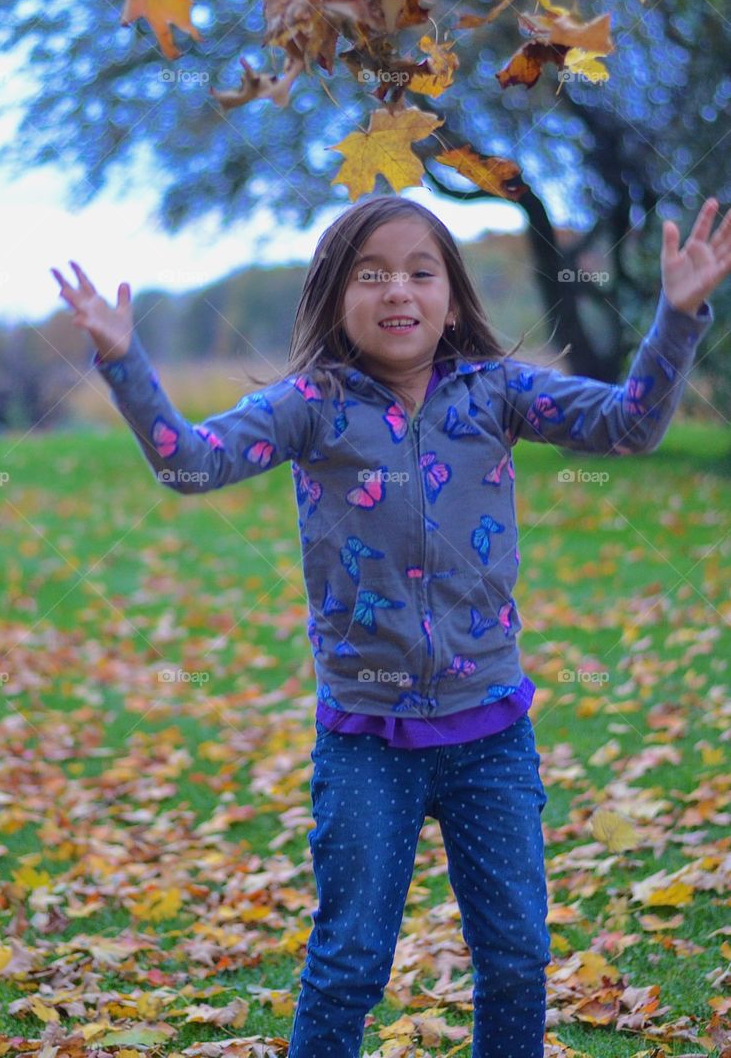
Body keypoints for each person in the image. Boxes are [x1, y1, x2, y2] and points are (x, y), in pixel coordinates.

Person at [51, 192, 728, 1058]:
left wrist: (676, 317)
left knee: (517, 959)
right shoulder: (310, 405)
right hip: (366, 739)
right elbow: (192, 464)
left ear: (450, 295)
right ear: (335, 295)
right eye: (369, 274)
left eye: (419, 270)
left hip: (489, 734)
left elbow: (629, 425)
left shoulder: (496, 393)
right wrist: (122, 359)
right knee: (349, 964)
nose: (396, 290)